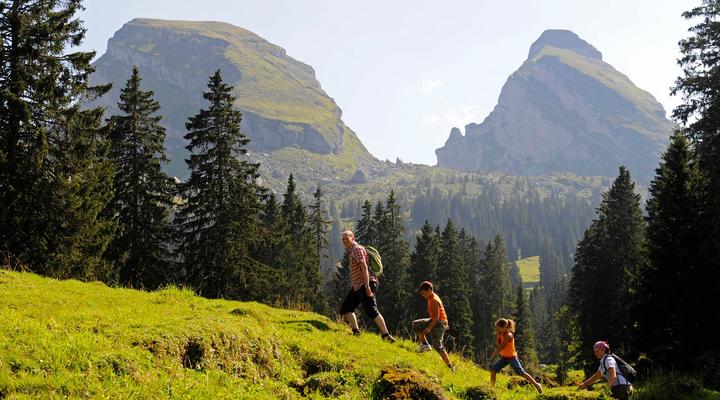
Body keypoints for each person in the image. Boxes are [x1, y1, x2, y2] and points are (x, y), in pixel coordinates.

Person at [339, 230, 395, 342]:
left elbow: (364, 267)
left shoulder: (357, 250)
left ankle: (386, 335)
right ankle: (356, 331)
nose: (345, 241)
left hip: (365, 284)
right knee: (346, 308)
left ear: (353, 238)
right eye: (343, 239)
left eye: (347, 238)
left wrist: (367, 286)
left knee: (371, 310)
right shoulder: (352, 251)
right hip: (358, 285)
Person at [490, 318, 543, 394]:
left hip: (512, 357)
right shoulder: (501, 333)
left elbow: (502, 346)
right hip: (504, 357)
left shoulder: (509, 335)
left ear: (504, 327)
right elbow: (498, 344)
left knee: (521, 373)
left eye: (498, 328)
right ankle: (492, 389)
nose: (497, 330)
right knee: (493, 370)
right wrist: (498, 336)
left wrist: (494, 353)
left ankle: (537, 385)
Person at [412, 281, 455, 371]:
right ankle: (425, 345)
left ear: (429, 290)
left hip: (440, 323)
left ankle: (450, 367)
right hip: (435, 320)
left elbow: (436, 317)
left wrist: (429, 328)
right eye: (421, 293)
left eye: (423, 293)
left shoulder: (434, 300)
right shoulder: (430, 297)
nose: (422, 295)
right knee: (416, 325)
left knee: (437, 345)